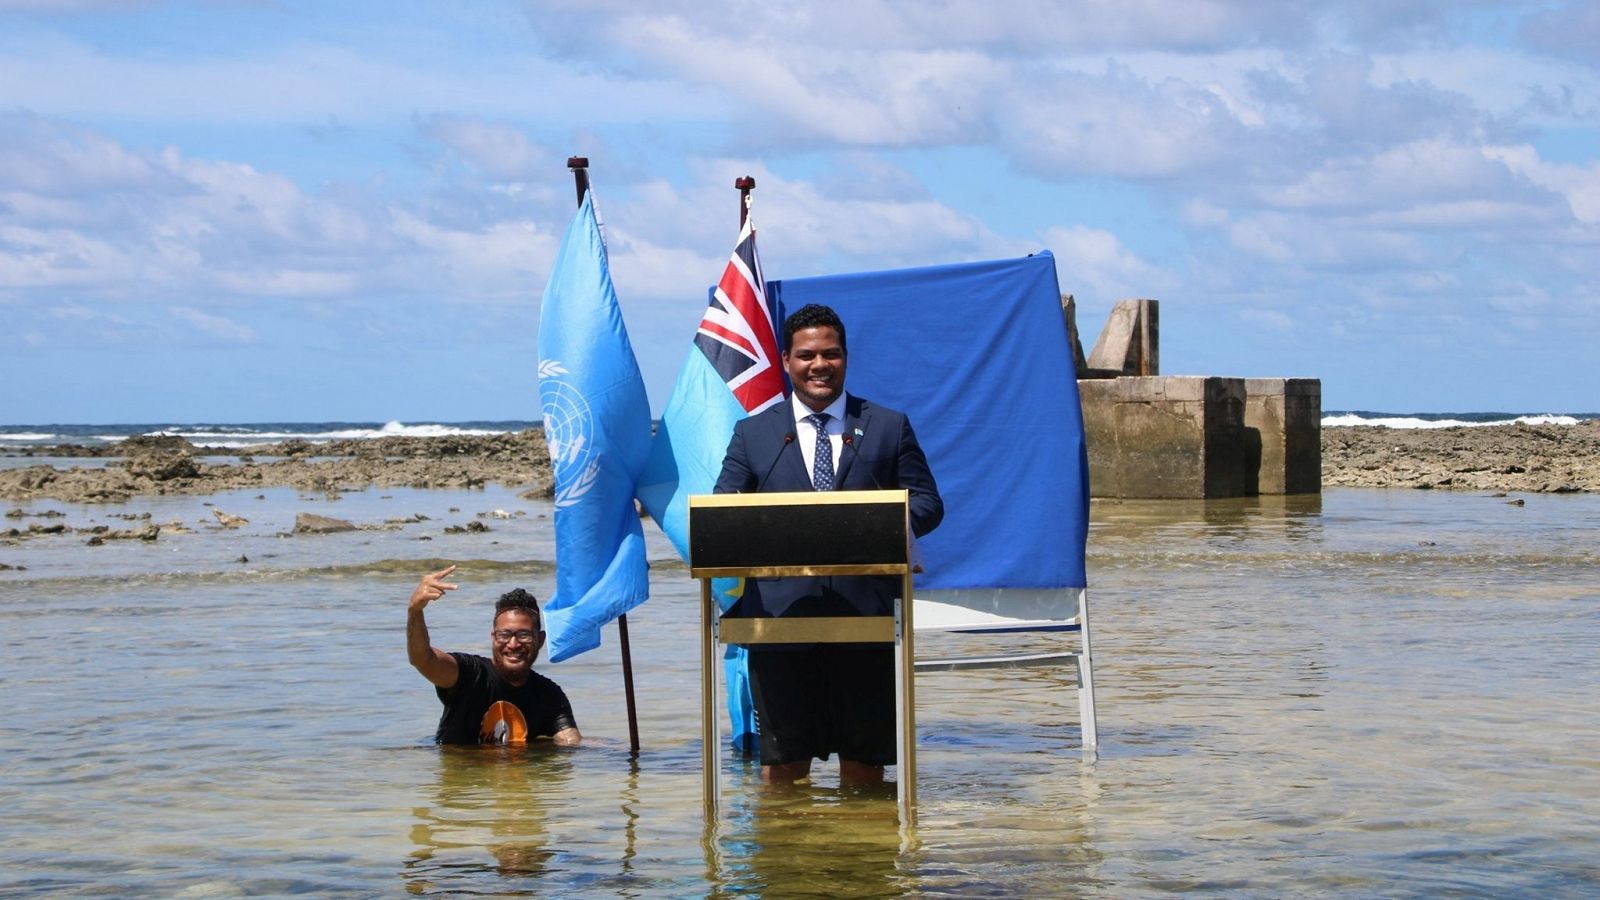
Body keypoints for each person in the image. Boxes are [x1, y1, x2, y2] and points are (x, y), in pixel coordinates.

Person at [714, 303, 943, 785]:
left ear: (845, 358)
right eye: (807, 355)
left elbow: (927, 503)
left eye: (831, 354)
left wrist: (875, 529)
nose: (820, 364)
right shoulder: (754, 434)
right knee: (783, 769)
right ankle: (789, 860)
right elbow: (723, 508)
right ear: (786, 361)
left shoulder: (886, 425)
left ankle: (857, 857)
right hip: (778, 623)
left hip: (868, 619)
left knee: (864, 768)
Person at [407, 564, 581, 746]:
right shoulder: (470, 675)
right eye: (504, 635)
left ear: (541, 639)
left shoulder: (549, 695)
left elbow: (571, 742)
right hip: (462, 770)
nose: (513, 644)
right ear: (493, 637)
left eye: (524, 635)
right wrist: (415, 610)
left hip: (518, 772)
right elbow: (422, 659)